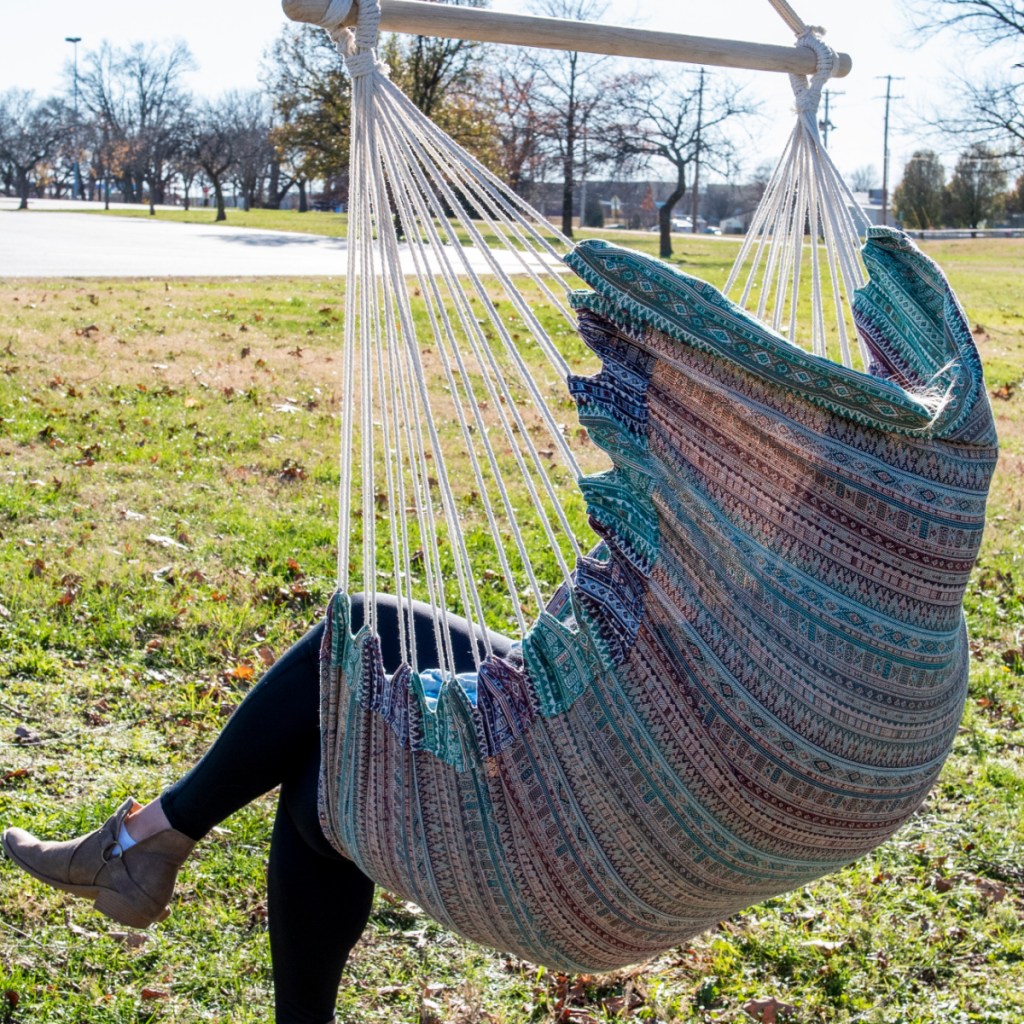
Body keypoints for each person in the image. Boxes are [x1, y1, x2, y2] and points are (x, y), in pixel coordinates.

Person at [1, 594, 512, 1024]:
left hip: (581, 752)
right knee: (327, 766)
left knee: (366, 624)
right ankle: (142, 843)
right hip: (586, 737)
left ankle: (138, 845)